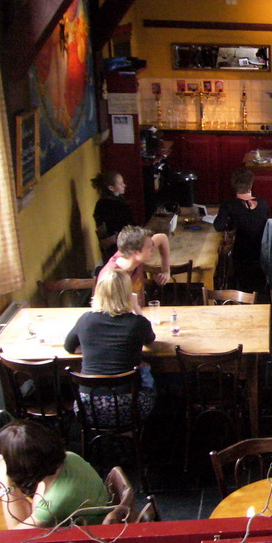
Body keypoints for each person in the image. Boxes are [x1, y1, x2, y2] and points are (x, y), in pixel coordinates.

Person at [64, 268, 158, 426]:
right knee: (154, 385)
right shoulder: (137, 323)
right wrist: (136, 308)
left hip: (88, 407)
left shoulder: (85, 320)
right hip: (128, 408)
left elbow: (68, 346)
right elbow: (150, 340)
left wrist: (89, 346)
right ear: (127, 293)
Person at [0, 419, 110, 529]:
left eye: (5, 456)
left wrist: (5, 482)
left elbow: (15, 534)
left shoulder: (54, 503)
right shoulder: (69, 458)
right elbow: (34, 510)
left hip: (87, 539)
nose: (1, 459)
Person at [214, 168, 269, 293]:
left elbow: (218, 226)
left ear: (233, 185)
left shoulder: (229, 204)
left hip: (240, 256)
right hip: (262, 254)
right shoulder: (263, 203)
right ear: (251, 185)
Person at [98, 225, 171, 307]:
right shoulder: (111, 277)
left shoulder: (133, 257)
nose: (153, 250)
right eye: (149, 247)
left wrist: (166, 271)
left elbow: (162, 238)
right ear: (134, 252)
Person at [91, 171, 134, 260]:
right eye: (121, 184)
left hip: (118, 242)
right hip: (119, 247)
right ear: (111, 188)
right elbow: (126, 226)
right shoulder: (113, 205)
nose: (124, 185)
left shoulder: (102, 202)